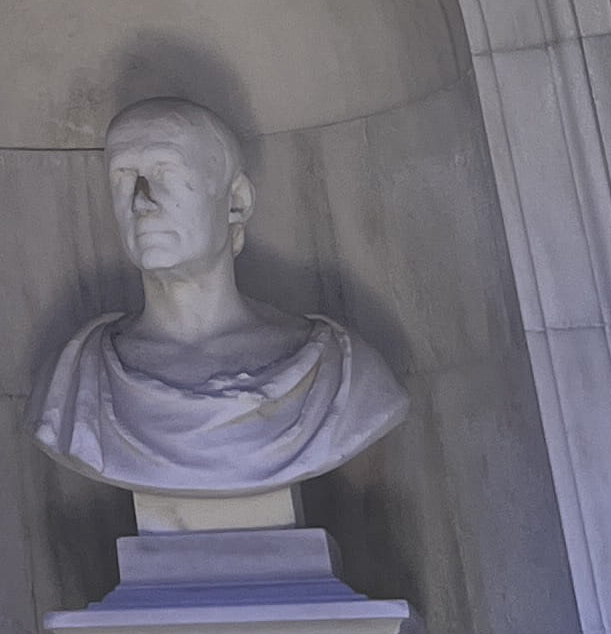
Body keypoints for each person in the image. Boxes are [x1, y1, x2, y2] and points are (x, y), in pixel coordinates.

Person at [32, 96, 405, 498]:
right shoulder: (77, 378)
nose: (142, 200)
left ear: (236, 202)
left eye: (166, 170)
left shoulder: (339, 372)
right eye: (123, 175)